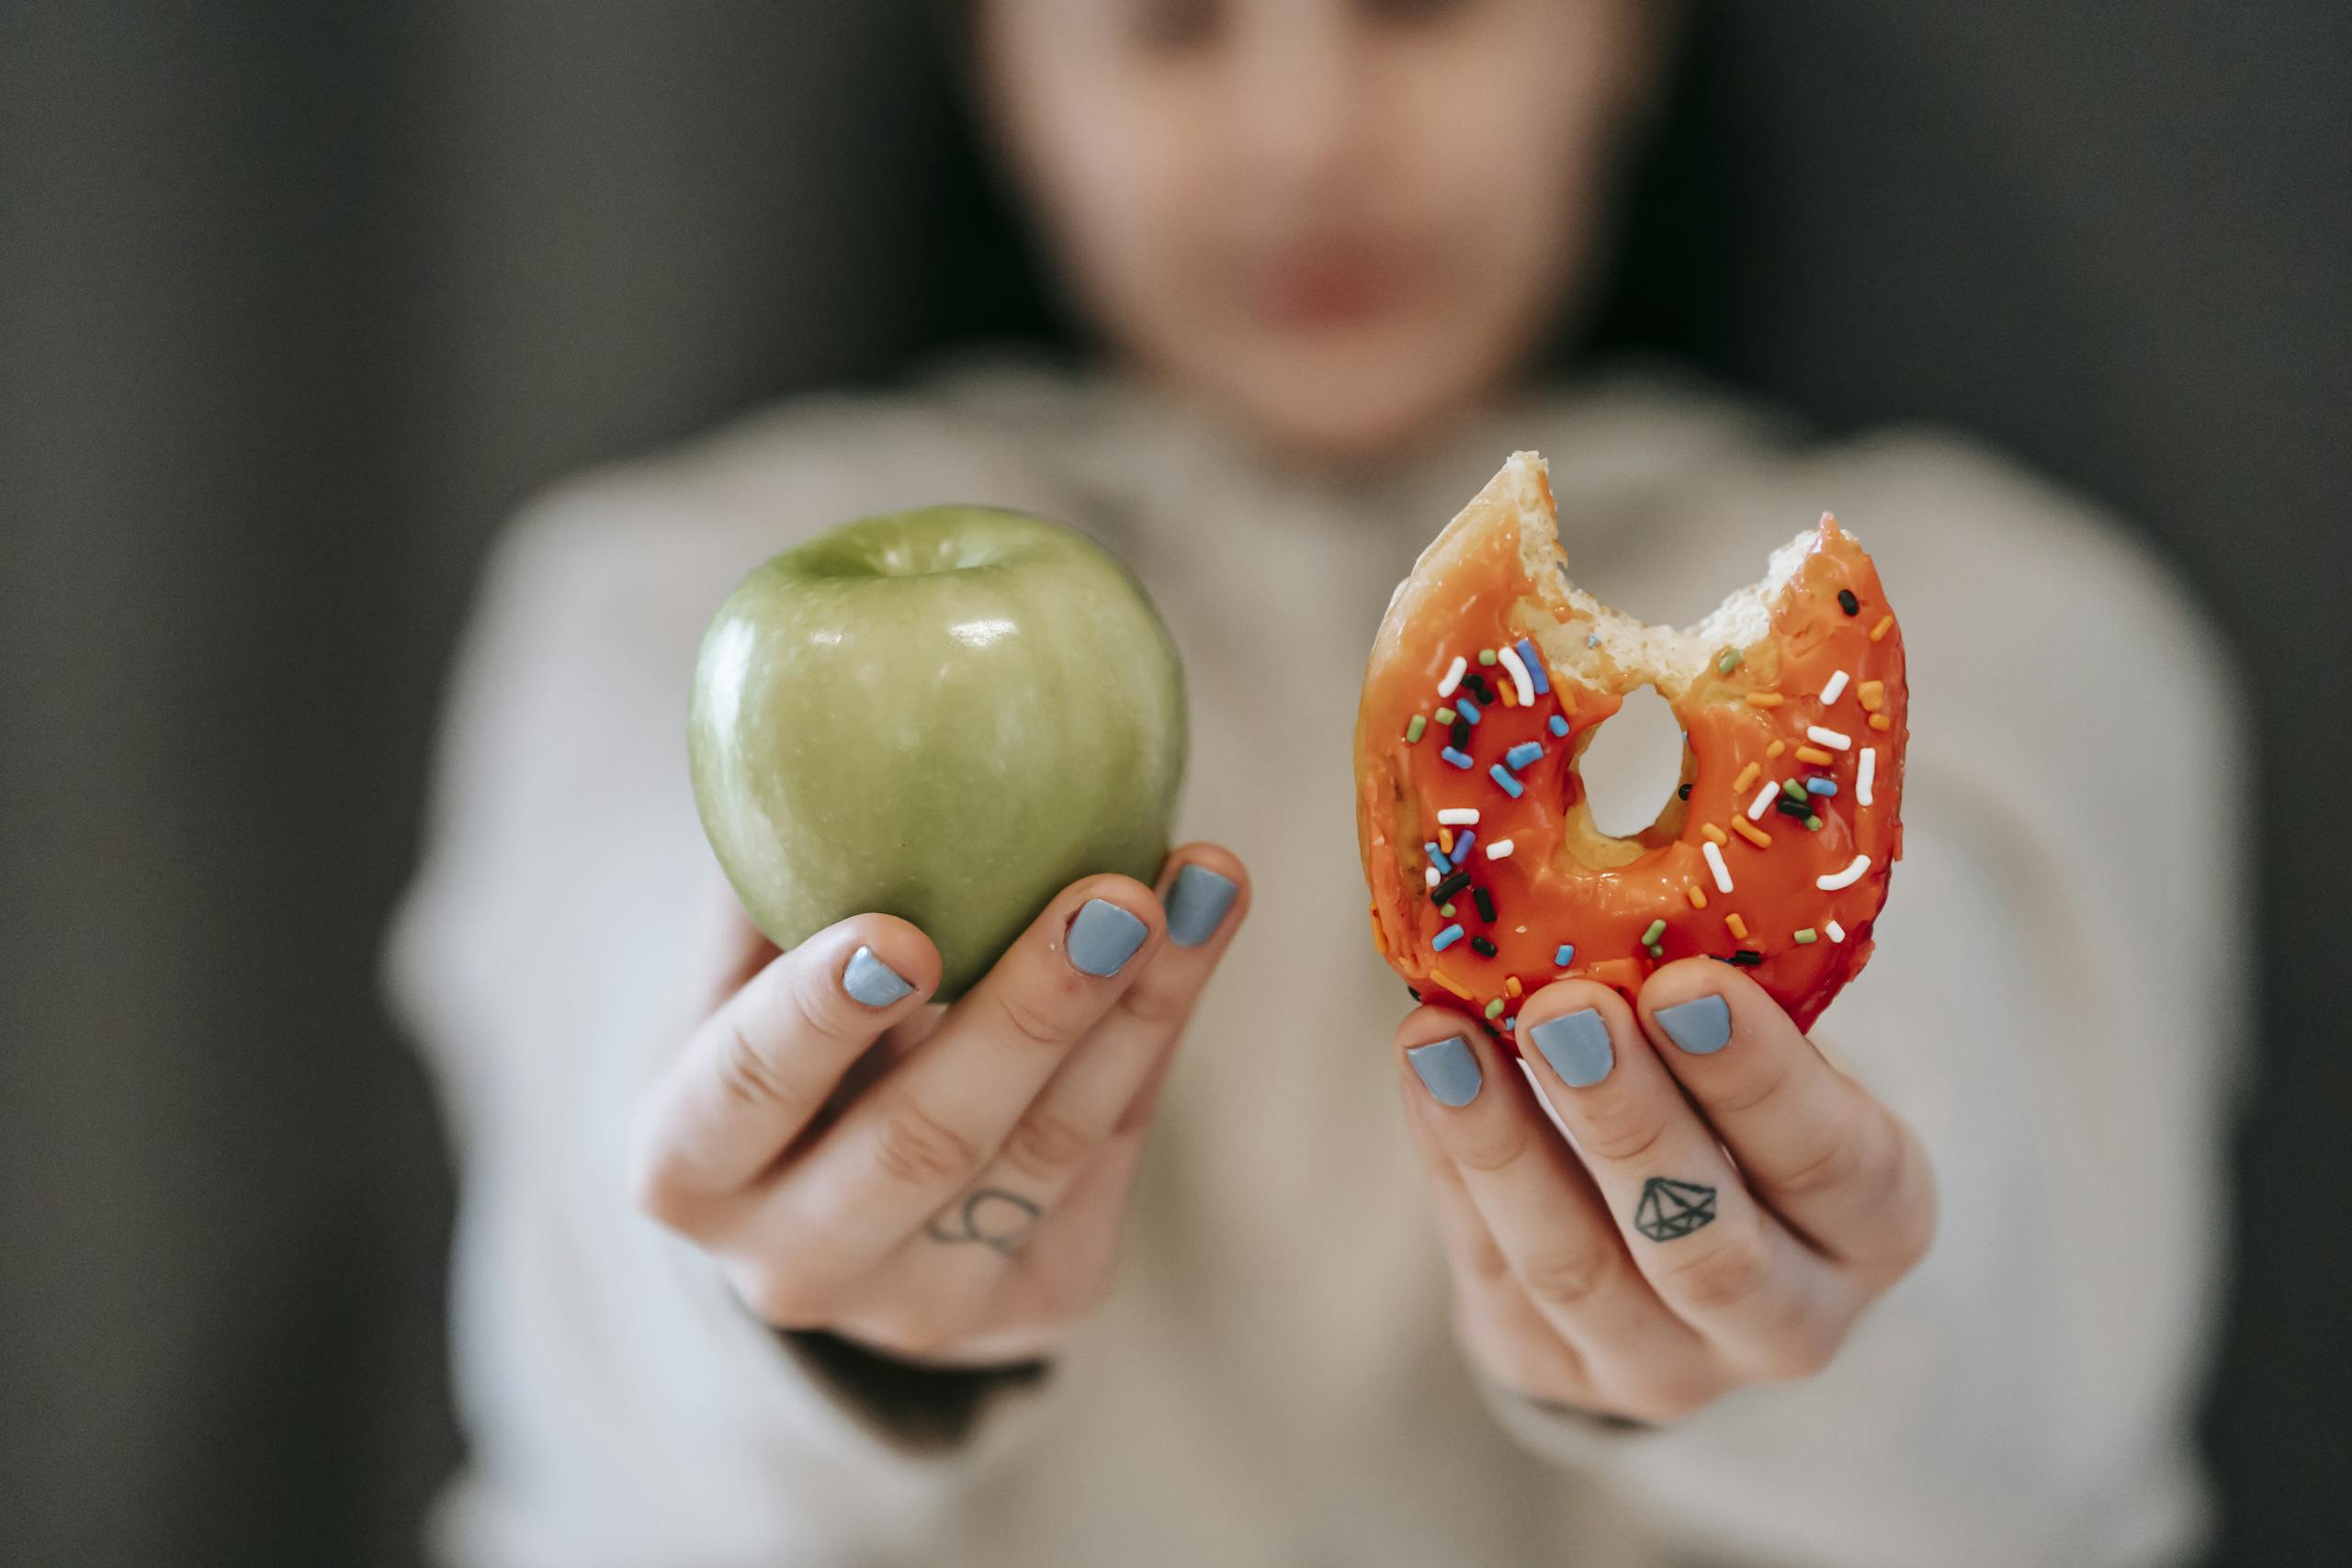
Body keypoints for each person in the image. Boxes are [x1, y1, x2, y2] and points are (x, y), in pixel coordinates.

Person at [387, 2, 2246, 1563]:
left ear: (1627, 31)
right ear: (994, 60)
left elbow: (2019, 1274)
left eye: (1420, 1)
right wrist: (797, 1304)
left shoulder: (2007, 613)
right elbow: (590, 1278)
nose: (1303, 134)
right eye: (1167, 20)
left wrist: (1813, 1286)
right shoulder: (653, 595)